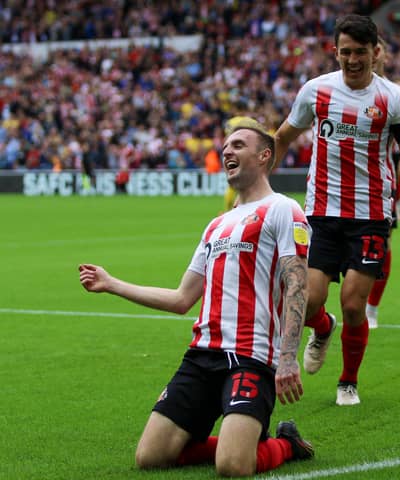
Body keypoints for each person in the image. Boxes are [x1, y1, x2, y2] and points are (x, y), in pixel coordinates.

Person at [79, 125, 314, 477]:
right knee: (151, 457)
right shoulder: (216, 225)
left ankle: (285, 444)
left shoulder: (284, 209)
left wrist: (287, 358)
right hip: (202, 356)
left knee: (233, 466)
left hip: (250, 356)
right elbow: (181, 298)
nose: (227, 152)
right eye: (225, 146)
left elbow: (297, 284)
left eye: (238, 145)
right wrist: (112, 284)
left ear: (265, 155)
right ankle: (244, 438)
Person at [274, 14, 400, 406]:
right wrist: (258, 188)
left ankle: (348, 382)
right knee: (309, 302)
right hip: (319, 213)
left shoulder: (395, 99)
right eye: (345, 52)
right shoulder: (315, 92)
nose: (352, 60)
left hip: (370, 216)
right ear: (335, 52)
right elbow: (282, 137)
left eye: (360, 52)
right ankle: (323, 327)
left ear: (375, 52)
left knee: (354, 304)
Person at [365, 35, 400, 329]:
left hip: (381, 177)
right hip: (345, 182)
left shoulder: (398, 95)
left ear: (383, 54)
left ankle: (371, 309)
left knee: (383, 246)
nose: (372, 56)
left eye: (376, 50)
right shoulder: (340, 90)